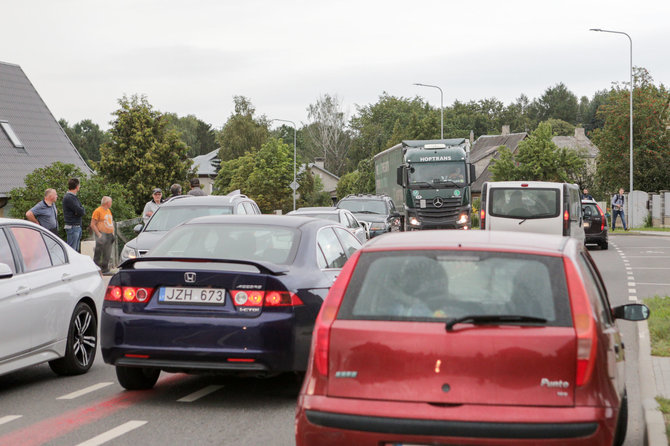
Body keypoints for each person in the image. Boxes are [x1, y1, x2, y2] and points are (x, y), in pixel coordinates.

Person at [91, 196, 115, 273]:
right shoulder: (97, 211)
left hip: (109, 234)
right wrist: (99, 234)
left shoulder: (108, 211)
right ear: (107, 203)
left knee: (107, 252)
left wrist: (112, 233)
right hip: (101, 234)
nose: (111, 203)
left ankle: (105, 269)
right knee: (98, 252)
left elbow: (111, 222)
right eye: (110, 202)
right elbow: (92, 224)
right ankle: (96, 269)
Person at [62, 178, 85, 251]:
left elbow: (81, 210)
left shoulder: (73, 197)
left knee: (76, 250)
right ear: (77, 186)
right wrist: (80, 210)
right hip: (72, 227)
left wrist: (80, 210)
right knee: (72, 251)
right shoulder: (69, 197)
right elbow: (80, 211)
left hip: (76, 227)